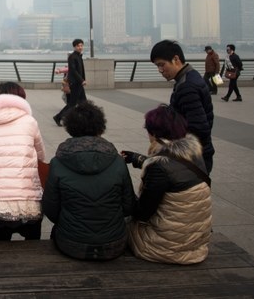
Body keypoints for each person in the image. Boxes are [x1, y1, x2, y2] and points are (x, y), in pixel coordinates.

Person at [42, 100, 136, 260]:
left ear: (70, 128)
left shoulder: (58, 163)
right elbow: (128, 206)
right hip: (113, 244)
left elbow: (50, 208)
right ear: (100, 127)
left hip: (71, 244)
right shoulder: (117, 161)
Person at [121, 105, 212, 264]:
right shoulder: (195, 154)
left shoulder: (158, 168)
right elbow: (175, 170)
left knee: (118, 224)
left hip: (166, 247)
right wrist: (138, 159)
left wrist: (123, 186)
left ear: (154, 133)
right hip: (196, 243)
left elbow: (142, 213)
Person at [0, 82, 47, 241]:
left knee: (2, 235)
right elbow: (41, 158)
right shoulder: (30, 122)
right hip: (27, 204)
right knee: (33, 237)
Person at [149, 40, 215, 174]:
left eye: (162, 65)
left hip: (194, 157)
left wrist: (170, 145)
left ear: (176, 59)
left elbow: (199, 128)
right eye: (157, 66)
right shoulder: (190, 76)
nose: (160, 70)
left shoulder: (187, 86)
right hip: (199, 153)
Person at [53, 39, 86, 125]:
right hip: (75, 83)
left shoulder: (79, 56)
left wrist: (83, 79)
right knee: (72, 104)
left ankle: (84, 118)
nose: (80, 47)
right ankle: (58, 117)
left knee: (83, 102)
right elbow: (73, 71)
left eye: (81, 45)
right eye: (78, 46)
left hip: (78, 83)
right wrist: (81, 80)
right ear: (74, 47)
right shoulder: (72, 57)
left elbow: (81, 70)